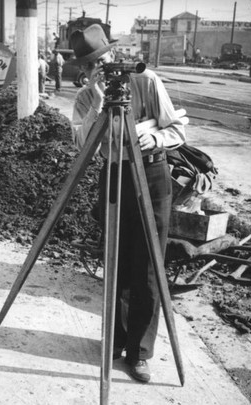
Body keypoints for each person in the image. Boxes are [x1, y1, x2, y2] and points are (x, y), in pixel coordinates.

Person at [70, 24, 186, 383]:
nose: (102, 70)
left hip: (151, 176)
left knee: (148, 267)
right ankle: (117, 342)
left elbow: (178, 130)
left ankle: (139, 352)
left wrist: (152, 136)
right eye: (92, 66)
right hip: (114, 174)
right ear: (84, 70)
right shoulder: (85, 99)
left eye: (104, 61)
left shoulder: (146, 81)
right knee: (116, 263)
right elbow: (82, 146)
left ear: (114, 55)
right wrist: (99, 102)